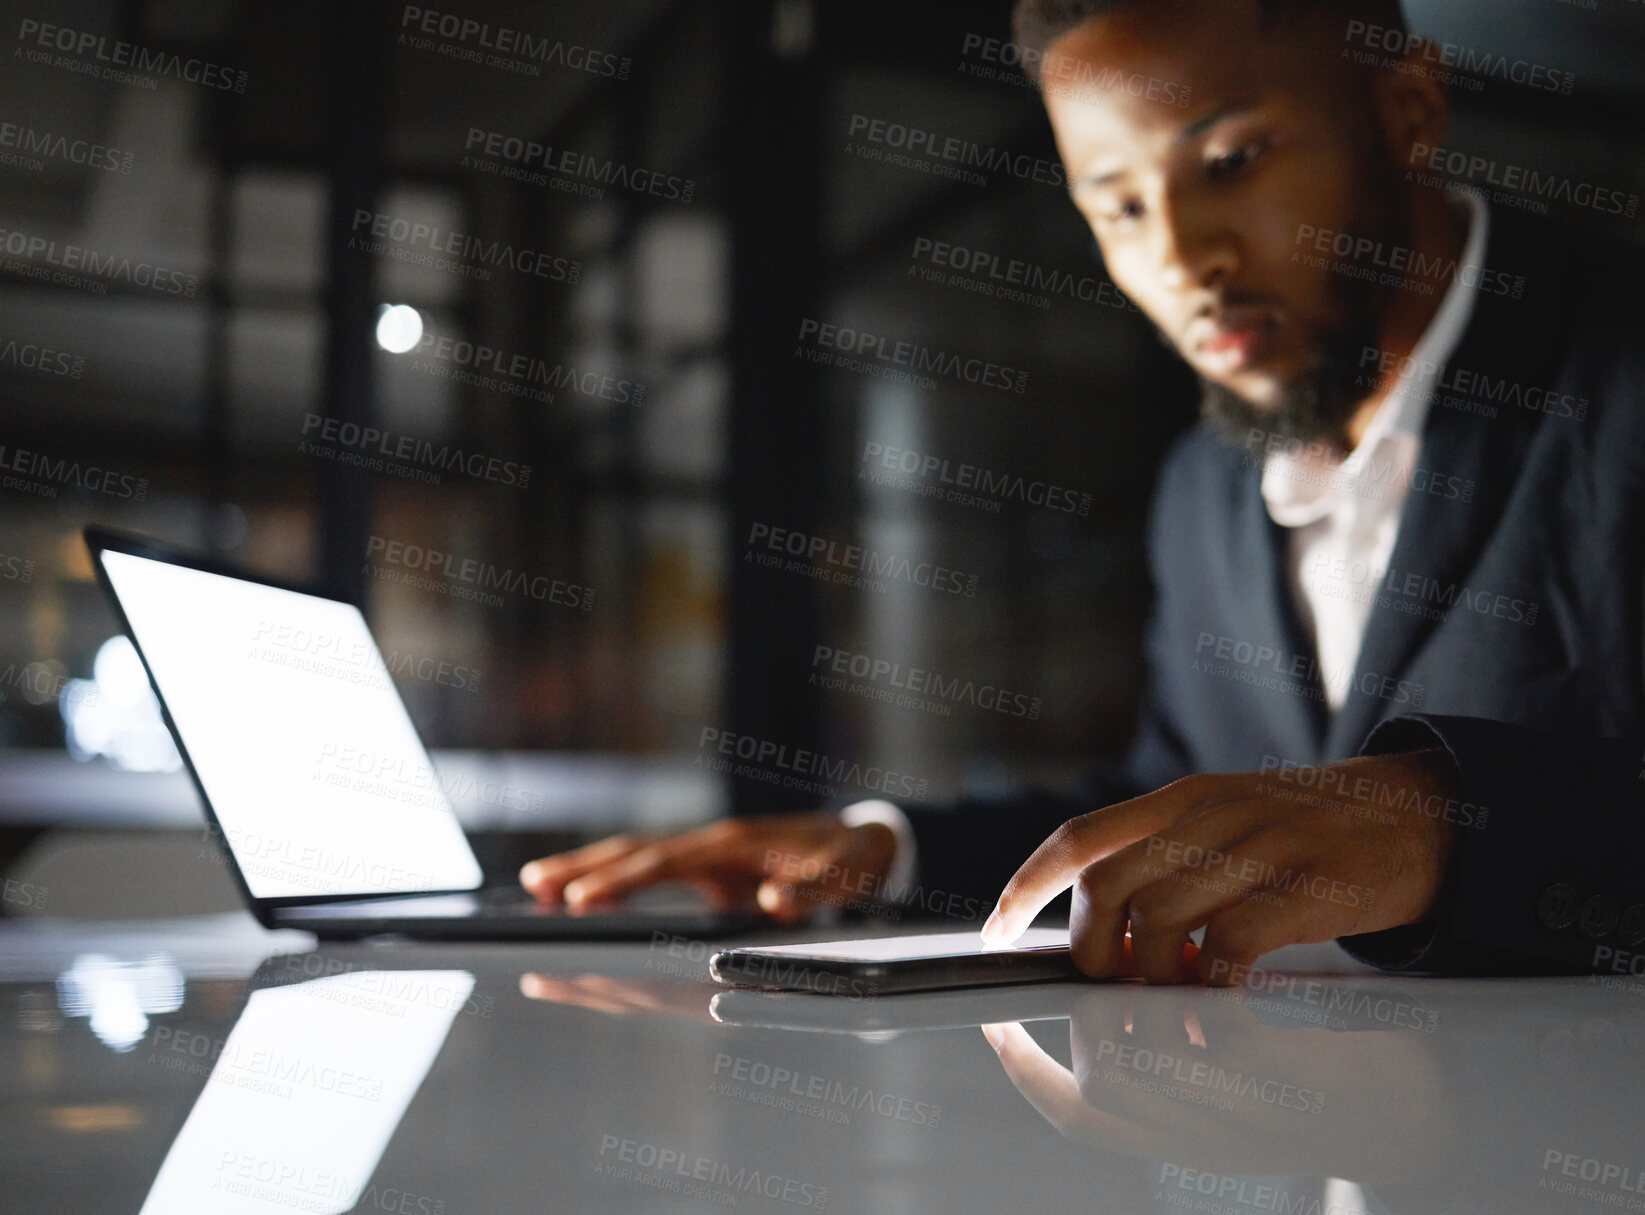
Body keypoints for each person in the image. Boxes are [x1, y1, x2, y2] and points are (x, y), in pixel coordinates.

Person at [520, 0, 1645, 984]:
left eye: (1231, 162)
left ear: (1408, 113)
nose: (1179, 257)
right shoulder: (1204, 487)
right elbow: (1179, 795)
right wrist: (884, 851)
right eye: (1117, 206)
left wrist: (1443, 824)